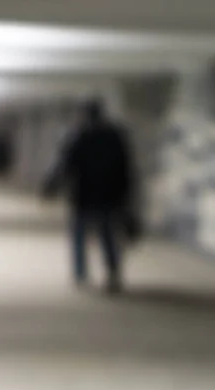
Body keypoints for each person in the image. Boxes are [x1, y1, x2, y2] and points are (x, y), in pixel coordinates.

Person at [43, 99, 136, 294]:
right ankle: (112, 272)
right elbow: (126, 168)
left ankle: (80, 273)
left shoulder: (79, 136)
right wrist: (127, 196)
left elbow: (65, 164)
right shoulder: (114, 136)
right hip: (109, 195)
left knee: (79, 235)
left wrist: (51, 185)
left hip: (83, 195)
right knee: (107, 236)